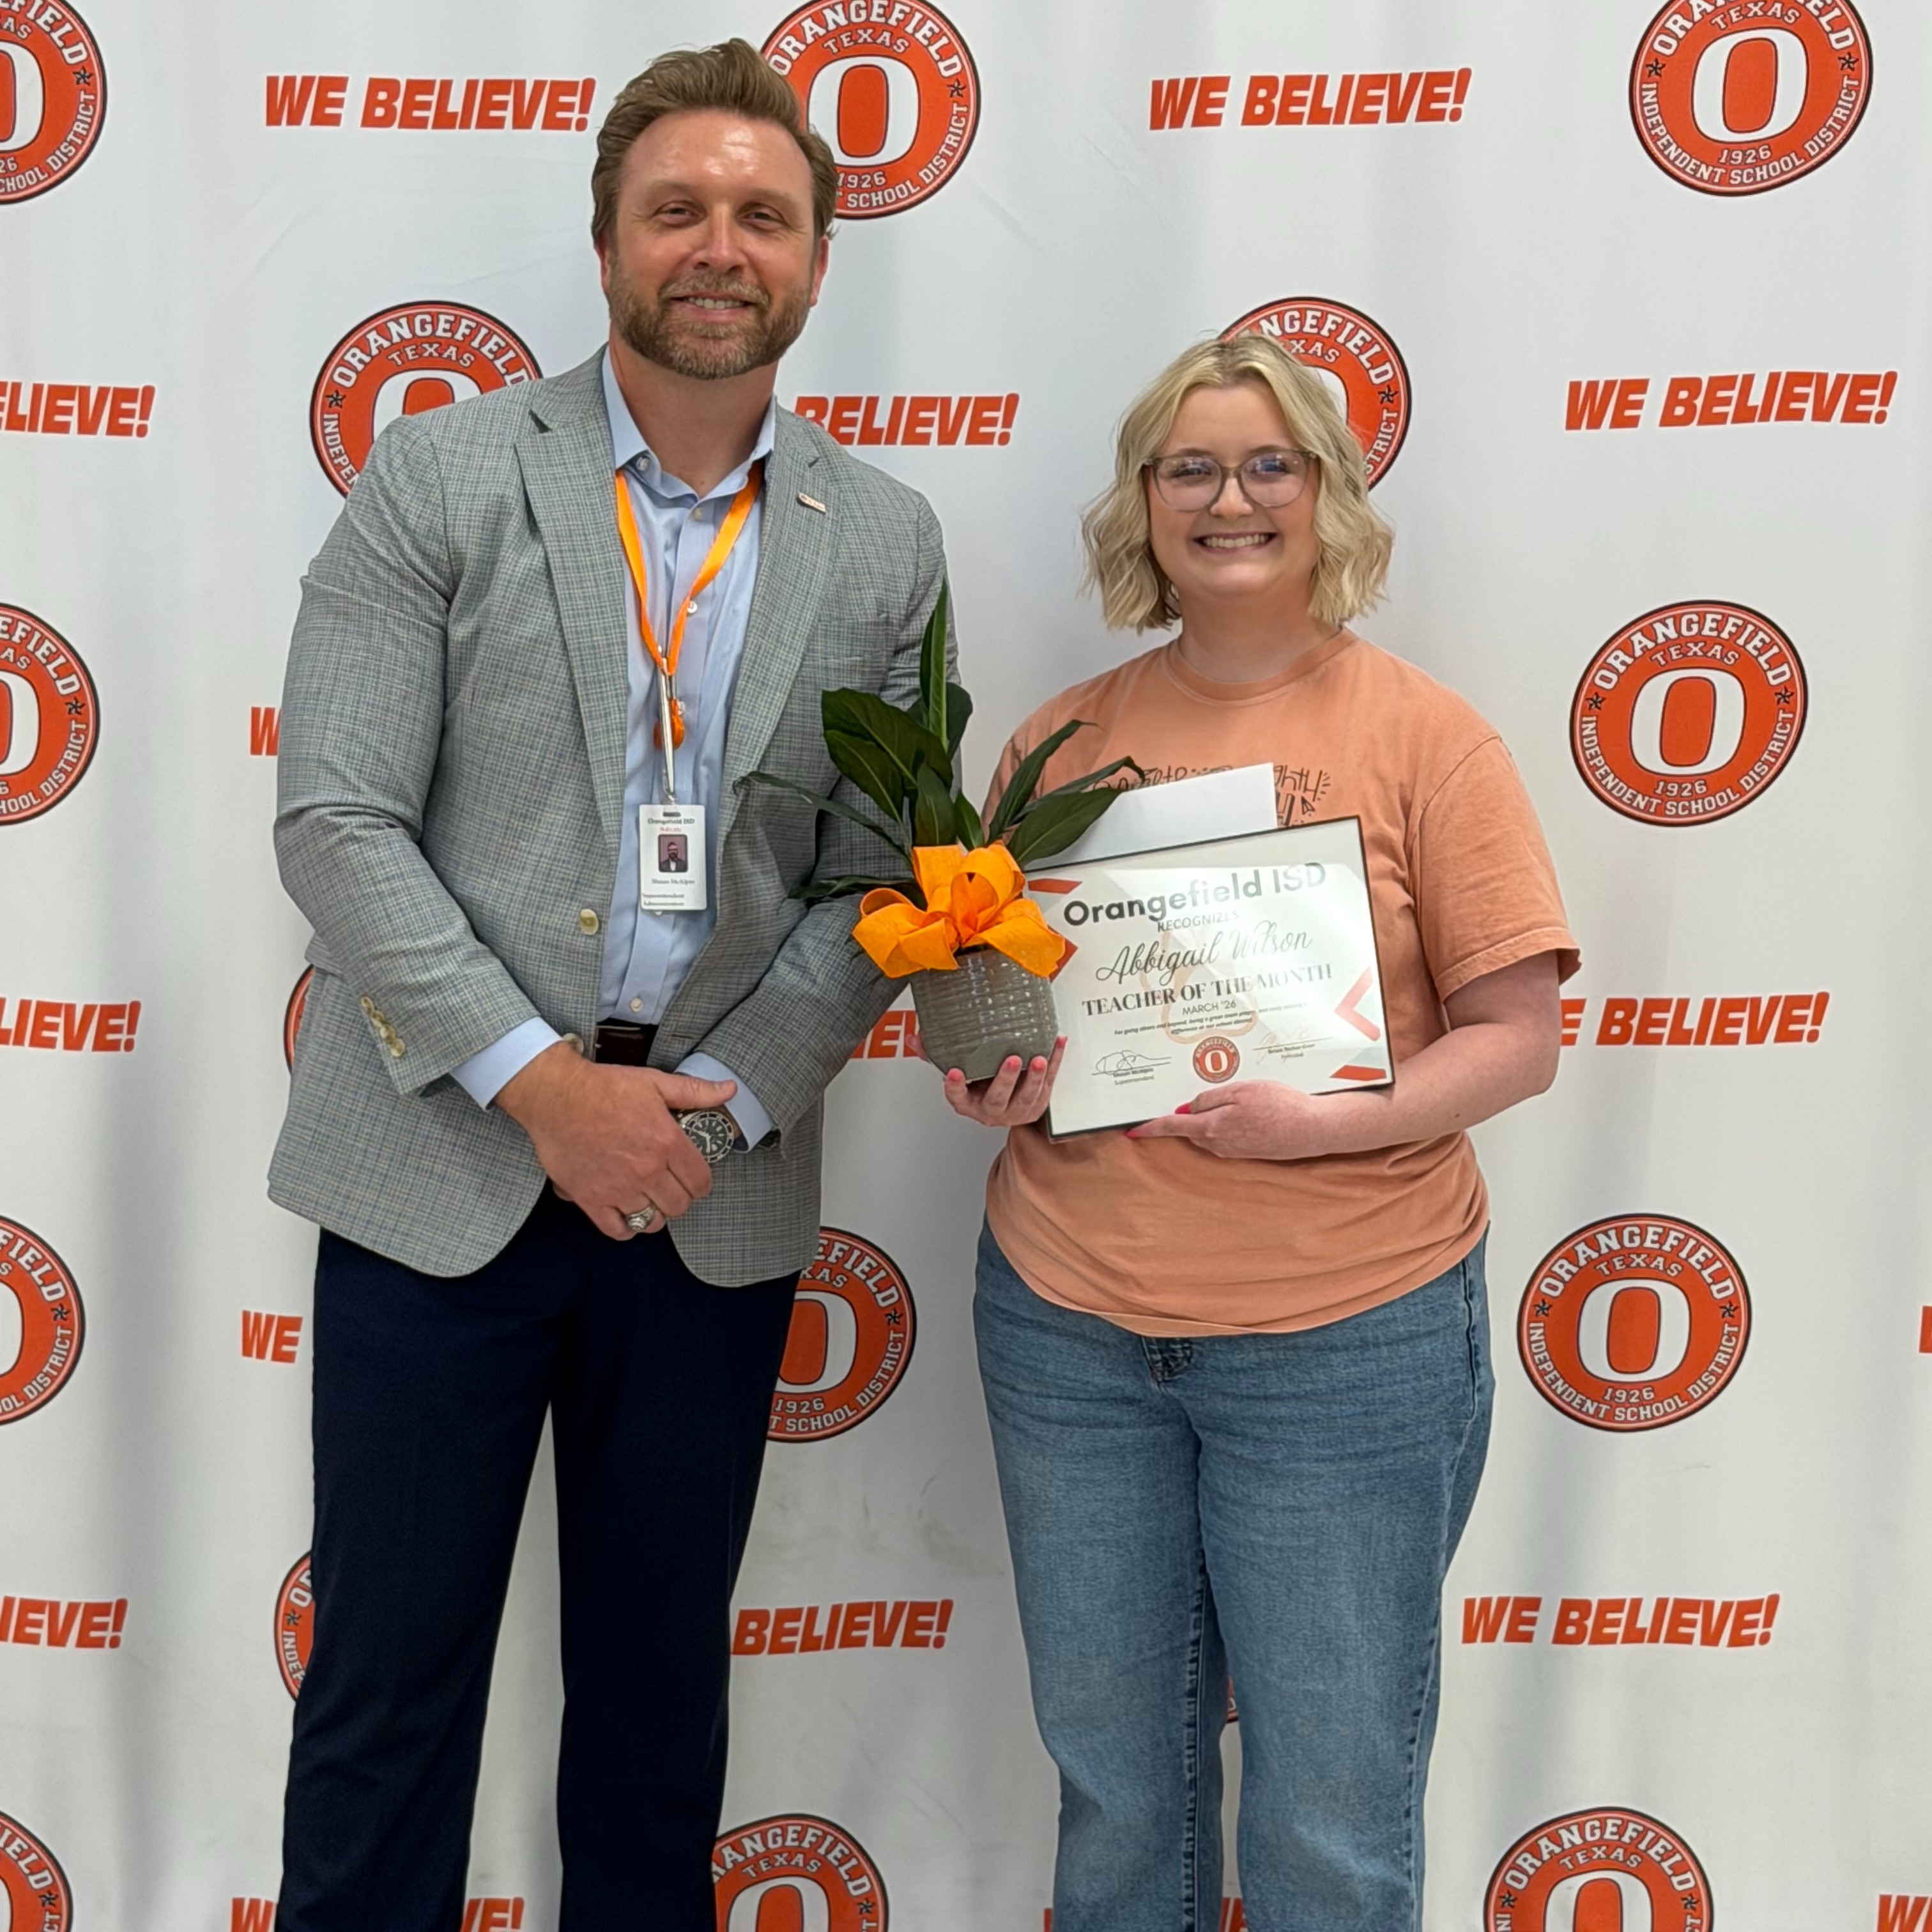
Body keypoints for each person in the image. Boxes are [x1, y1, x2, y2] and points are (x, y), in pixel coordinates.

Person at [268, 40, 948, 1932]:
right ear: (609, 246)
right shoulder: (446, 473)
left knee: (659, 1714)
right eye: (680, 209)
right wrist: (540, 1086)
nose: (718, 245)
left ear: (815, 261)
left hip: (704, 1193)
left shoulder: (882, 540)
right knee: (390, 1696)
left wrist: (704, 1109)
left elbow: (875, 884)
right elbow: (336, 820)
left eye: (762, 213)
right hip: (445, 1174)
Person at [939, 334, 1578, 1931]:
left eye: (1270, 464)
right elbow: (1021, 1025)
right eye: (1192, 468)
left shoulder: (1431, 740)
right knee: (1116, 1787)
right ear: (1145, 503)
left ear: (1328, 496)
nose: (1232, 500)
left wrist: (1327, 1128)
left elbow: (1520, 1041)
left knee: (1331, 1815)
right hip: (1072, 1329)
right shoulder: (1053, 749)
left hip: (1346, 1345)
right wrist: (994, 1078)